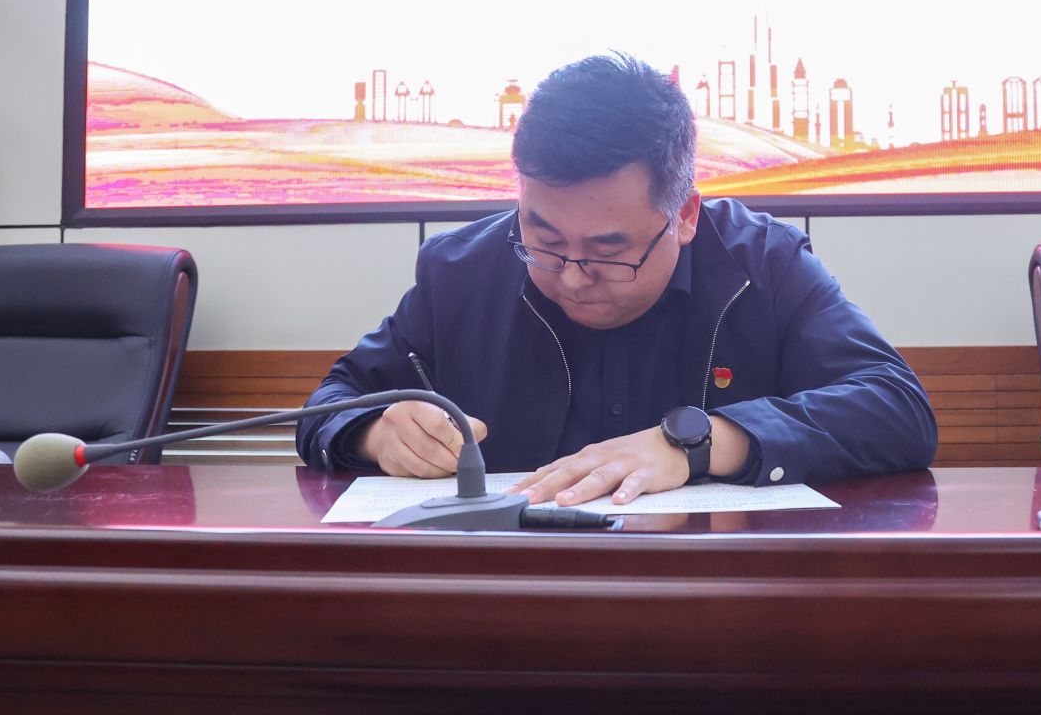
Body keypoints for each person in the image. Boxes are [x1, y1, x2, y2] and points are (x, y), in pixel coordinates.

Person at [298, 53, 936, 503]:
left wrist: (701, 444)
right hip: (509, 600)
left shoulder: (761, 263)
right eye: (545, 242)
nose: (573, 279)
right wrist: (374, 432)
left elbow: (897, 409)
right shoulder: (461, 271)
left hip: (718, 601)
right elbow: (333, 401)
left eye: (609, 252)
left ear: (685, 215)